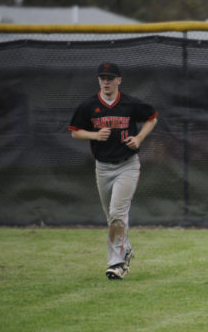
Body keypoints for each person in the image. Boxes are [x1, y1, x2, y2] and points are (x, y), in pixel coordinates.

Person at [68, 62, 158, 280]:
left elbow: (152, 118)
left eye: (110, 78)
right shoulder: (88, 105)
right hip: (102, 167)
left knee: (117, 214)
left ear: (119, 80)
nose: (106, 82)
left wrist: (139, 138)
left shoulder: (129, 103)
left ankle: (116, 264)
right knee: (112, 217)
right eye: (102, 78)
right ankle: (125, 249)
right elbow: (75, 132)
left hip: (127, 165)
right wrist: (93, 135)